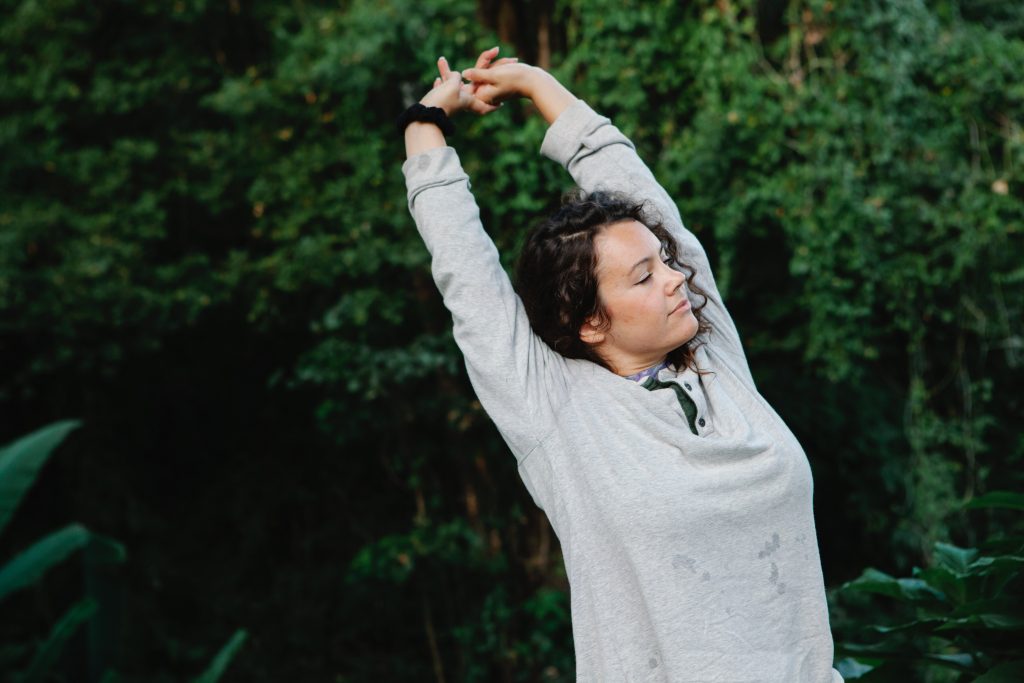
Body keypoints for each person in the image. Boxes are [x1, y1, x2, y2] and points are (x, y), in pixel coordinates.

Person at [399, 47, 843, 682]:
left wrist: (534, 84)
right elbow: (466, 275)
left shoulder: (714, 358)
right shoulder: (558, 412)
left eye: (665, 260)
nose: (675, 279)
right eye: (644, 276)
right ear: (590, 322)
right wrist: (425, 121)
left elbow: (637, 189)